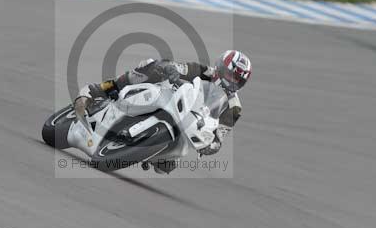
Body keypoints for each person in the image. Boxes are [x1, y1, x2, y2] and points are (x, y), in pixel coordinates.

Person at [74, 50, 251, 161]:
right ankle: (101, 89)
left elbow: (220, 135)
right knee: (152, 66)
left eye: (237, 79)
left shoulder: (234, 107)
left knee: (175, 157)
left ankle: (155, 153)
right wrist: (171, 70)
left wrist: (211, 146)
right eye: (230, 74)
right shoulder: (203, 71)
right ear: (220, 67)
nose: (231, 81)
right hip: (172, 99)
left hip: (189, 125)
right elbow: (176, 66)